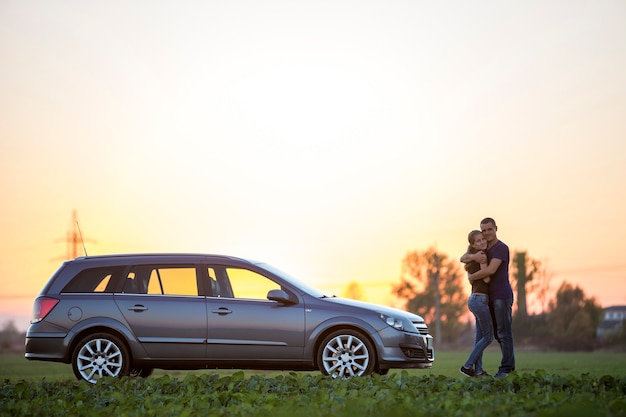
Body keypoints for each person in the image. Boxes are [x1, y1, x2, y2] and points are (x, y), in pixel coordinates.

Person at [461, 217, 514, 378]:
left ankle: (506, 369)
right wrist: (473, 257)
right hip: (486, 299)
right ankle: (477, 370)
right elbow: (463, 257)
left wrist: (472, 277)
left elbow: (490, 271)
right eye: (483, 230)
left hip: (501, 296)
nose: (486, 233)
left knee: (503, 334)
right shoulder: (482, 248)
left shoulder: (500, 248)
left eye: (489, 229)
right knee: (484, 334)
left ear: (496, 228)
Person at [459, 230, 493, 377]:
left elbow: (464, 260)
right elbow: (486, 280)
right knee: (488, 337)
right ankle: (467, 366)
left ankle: (478, 370)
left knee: (480, 337)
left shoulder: (471, 259)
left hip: (475, 299)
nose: (482, 242)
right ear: (473, 244)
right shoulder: (481, 257)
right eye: (478, 241)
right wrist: (485, 264)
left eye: (482, 239)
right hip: (479, 300)